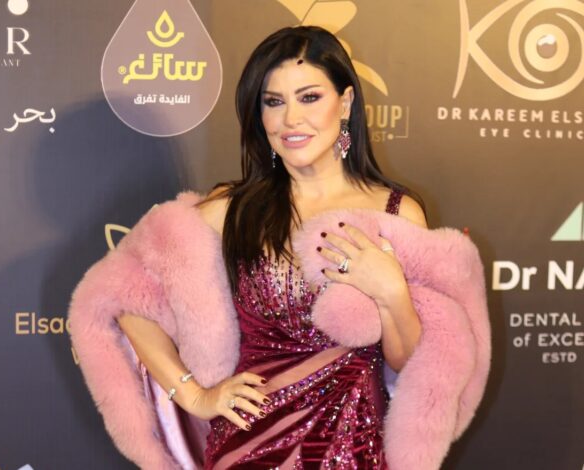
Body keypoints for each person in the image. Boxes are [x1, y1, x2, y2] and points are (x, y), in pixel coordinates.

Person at [69, 25, 490, 470]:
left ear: (345, 103)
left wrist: (391, 292)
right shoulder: (230, 210)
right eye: (274, 102)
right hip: (247, 449)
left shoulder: (396, 213)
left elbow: (408, 364)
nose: (291, 119)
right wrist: (193, 395)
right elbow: (123, 297)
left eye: (309, 97)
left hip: (356, 452)